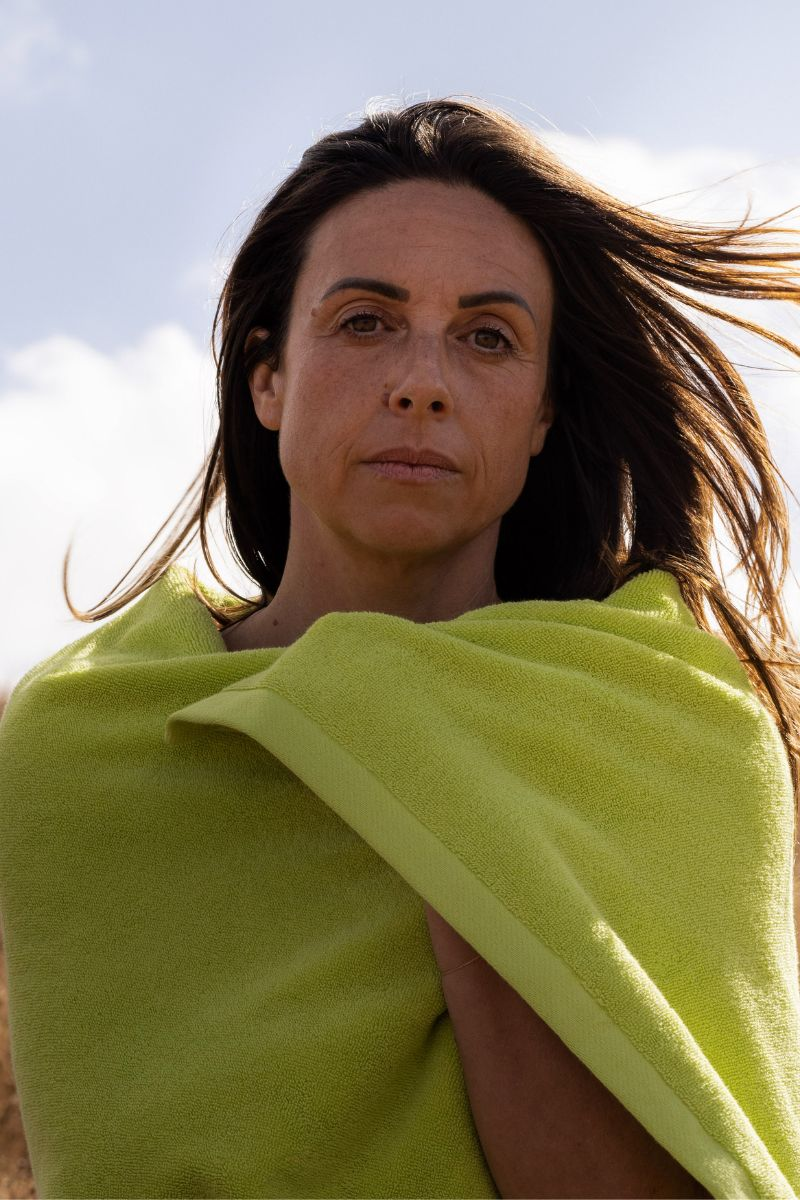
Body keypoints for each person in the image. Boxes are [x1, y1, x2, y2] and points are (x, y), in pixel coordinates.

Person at [2, 96, 800, 1199]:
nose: (420, 381)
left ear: (540, 415)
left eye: (487, 337)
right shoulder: (77, 746)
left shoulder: (666, 722)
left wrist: (430, 747)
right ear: (266, 379)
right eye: (365, 321)